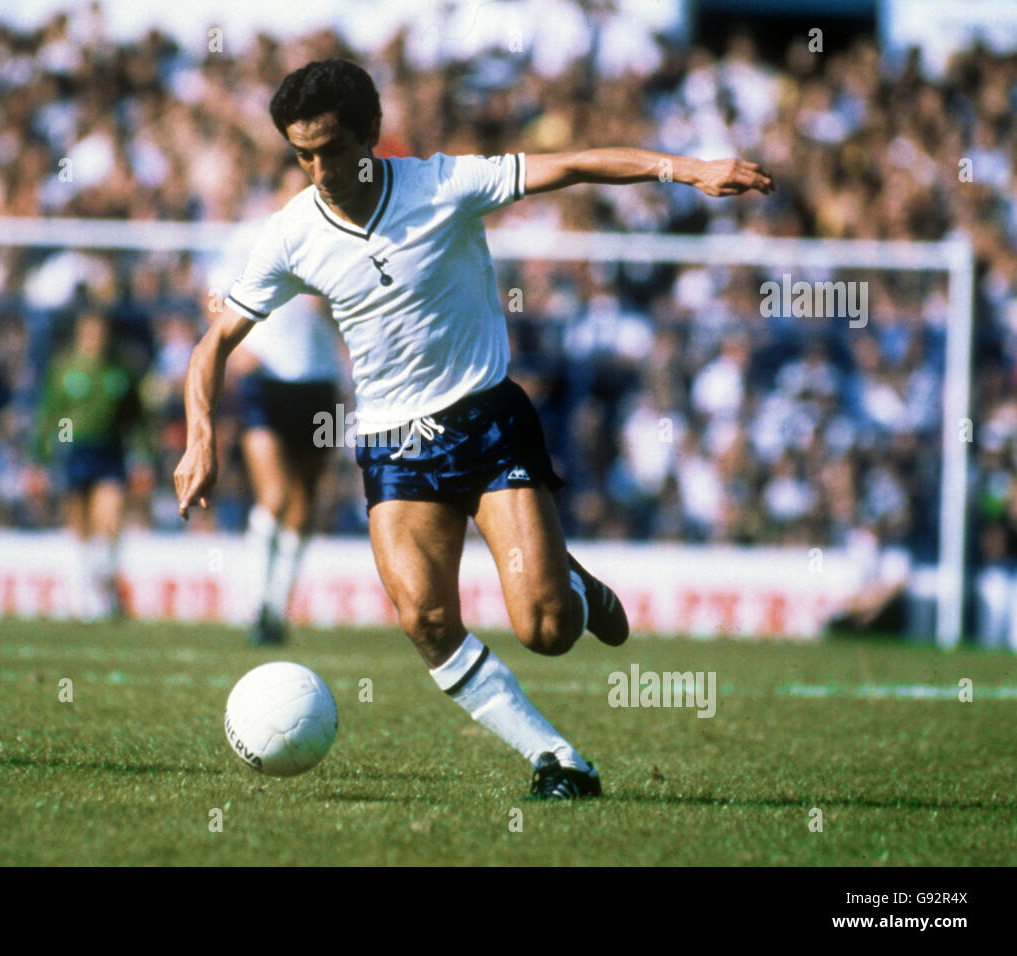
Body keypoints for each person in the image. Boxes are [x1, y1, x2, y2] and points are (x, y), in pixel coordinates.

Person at [174, 59, 773, 799]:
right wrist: (201, 436)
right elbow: (213, 344)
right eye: (304, 153)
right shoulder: (292, 234)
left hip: (486, 424)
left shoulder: (442, 184)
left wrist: (686, 169)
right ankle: (558, 761)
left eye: (333, 147)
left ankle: (573, 591)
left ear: (370, 132)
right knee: (426, 619)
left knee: (546, 629)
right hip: (394, 445)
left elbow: (575, 164)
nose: (321, 169)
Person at [210, 162, 346, 645]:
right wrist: (236, 347)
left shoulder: (338, 239)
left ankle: (276, 610)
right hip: (266, 380)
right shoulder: (252, 237)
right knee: (275, 496)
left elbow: (349, 315)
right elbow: (213, 295)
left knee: (304, 505)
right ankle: (253, 606)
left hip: (320, 385)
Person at [33, 311, 147, 620]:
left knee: (108, 523)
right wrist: (39, 459)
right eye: (90, 331)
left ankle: (104, 591)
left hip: (110, 451)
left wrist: (143, 456)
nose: (95, 338)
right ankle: (82, 596)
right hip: (74, 450)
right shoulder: (64, 368)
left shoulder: (122, 370)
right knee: (80, 527)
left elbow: (137, 419)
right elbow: (50, 414)